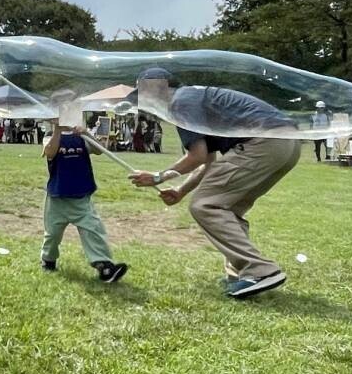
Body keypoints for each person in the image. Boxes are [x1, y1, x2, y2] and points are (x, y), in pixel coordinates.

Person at [128, 68, 301, 300]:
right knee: (229, 207)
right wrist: (181, 191)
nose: (143, 103)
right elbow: (208, 161)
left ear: (154, 89)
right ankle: (239, 274)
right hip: (287, 144)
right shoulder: (192, 97)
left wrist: (158, 177)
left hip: (263, 141)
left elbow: (196, 156)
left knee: (204, 206)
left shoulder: (180, 104)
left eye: (142, 95)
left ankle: (261, 270)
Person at [41, 114, 128, 282]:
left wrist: (86, 133)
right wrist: (57, 130)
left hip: (81, 197)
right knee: (52, 234)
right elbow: (50, 152)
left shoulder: (81, 137)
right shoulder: (49, 137)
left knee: (93, 230)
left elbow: (100, 150)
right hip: (57, 197)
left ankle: (104, 266)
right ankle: (48, 259)